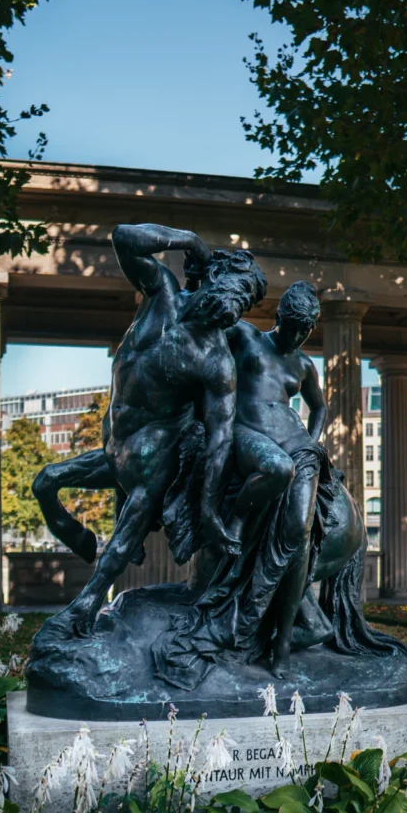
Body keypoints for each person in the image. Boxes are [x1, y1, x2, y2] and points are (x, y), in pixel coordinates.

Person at [33, 223, 267, 634]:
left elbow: (220, 439)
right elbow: (124, 237)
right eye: (238, 287)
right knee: (45, 482)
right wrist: (191, 240)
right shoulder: (161, 292)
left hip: (157, 458)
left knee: (126, 532)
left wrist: (210, 510)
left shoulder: (216, 364)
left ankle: (86, 605)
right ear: (214, 274)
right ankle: (71, 531)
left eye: (247, 299)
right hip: (118, 445)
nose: (239, 302)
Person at [153, 281, 336, 682]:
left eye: (304, 330)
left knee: (299, 535)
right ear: (279, 317)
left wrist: (313, 438)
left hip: (298, 443)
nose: (297, 335)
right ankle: (234, 520)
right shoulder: (247, 336)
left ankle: (285, 641)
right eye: (292, 326)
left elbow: (320, 407)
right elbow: (203, 324)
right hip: (245, 435)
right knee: (277, 470)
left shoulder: (304, 365)